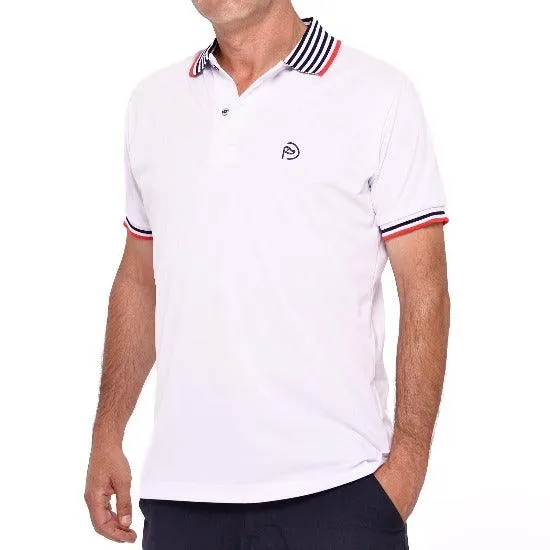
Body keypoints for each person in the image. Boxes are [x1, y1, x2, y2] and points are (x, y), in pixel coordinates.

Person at [85, 1, 450, 548]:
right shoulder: (153, 103)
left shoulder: (378, 94)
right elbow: (140, 280)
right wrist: (107, 433)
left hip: (338, 492)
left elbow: (425, 289)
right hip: (183, 497)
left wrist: (406, 470)